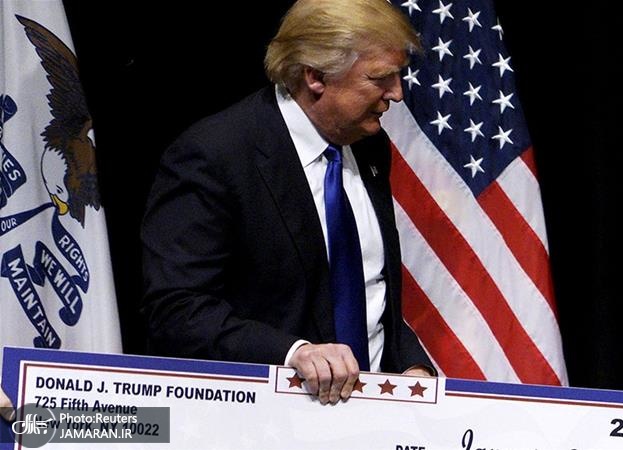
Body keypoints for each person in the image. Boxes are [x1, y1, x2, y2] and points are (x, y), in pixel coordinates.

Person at [140, 0, 433, 406]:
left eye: (399, 75)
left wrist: (410, 364)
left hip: (371, 414)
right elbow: (176, 310)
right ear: (316, 77)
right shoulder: (215, 155)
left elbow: (368, 286)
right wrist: (293, 353)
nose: (397, 94)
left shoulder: (369, 146)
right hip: (265, 418)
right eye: (380, 78)